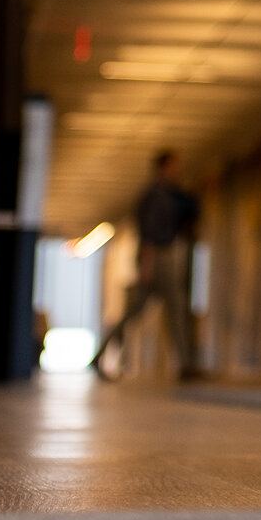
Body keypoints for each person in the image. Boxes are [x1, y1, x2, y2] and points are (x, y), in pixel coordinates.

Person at [91, 151, 204, 381]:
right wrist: (147, 262)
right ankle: (185, 365)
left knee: (150, 310)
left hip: (160, 256)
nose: (179, 170)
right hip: (159, 257)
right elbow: (150, 232)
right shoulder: (156, 196)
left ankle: (99, 354)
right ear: (164, 167)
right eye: (175, 165)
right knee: (174, 310)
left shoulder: (169, 194)